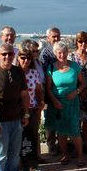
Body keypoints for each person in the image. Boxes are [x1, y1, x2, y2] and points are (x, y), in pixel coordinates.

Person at [0, 43, 30, 171]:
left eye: (10, 54)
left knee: (14, 150)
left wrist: (25, 113)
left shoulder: (18, 72)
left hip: (16, 117)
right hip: (0, 119)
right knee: (2, 151)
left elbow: (24, 94)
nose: (7, 57)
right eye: (4, 54)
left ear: (14, 56)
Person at [45, 41, 86, 166]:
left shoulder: (74, 66)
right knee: (61, 131)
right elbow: (48, 88)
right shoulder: (51, 68)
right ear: (55, 53)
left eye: (64, 52)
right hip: (57, 105)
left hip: (72, 103)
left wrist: (77, 91)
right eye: (59, 53)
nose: (62, 55)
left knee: (75, 130)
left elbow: (83, 83)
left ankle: (80, 156)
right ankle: (65, 155)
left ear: (67, 52)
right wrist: (54, 101)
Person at [16, 46, 45, 171]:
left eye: (28, 58)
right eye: (23, 58)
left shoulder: (34, 73)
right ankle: (20, 166)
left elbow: (38, 91)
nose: (26, 60)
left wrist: (41, 103)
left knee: (32, 137)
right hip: (17, 111)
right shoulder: (13, 72)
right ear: (18, 58)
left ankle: (33, 166)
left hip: (33, 109)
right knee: (18, 139)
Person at [69, 31, 87, 155]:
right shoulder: (71, 57)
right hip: (75, 94)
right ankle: (75, 147)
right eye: (80, 41)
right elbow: (69, 75)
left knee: (86, 122)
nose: (83, 44)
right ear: (76, 42)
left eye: (85, 41)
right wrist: (78, 91)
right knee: (75, 122)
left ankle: (86, 145)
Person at [39, 27, 62, 155]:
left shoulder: (61, 50)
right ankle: (51, 145)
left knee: (60, 118)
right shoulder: (46, 53)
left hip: (60, 91)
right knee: (50, 120)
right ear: (48, 38)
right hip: (49, 92)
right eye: (53, 36)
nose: (56, 38)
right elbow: (43, 75)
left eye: (58, 36)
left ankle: (60, 143)